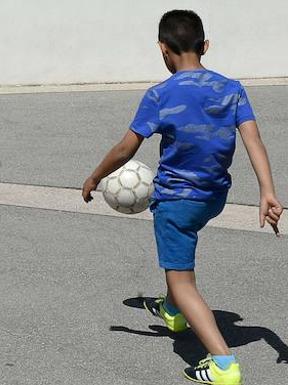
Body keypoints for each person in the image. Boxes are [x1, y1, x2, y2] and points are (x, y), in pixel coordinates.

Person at [81, 9, 283, 385]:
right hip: (214, 196)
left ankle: (223, 364)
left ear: (162, 49)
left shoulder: (160, 94)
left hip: (177, 203)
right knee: (181, 262)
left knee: (182, 279)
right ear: (205, 46)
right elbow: (252, 139)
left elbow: (127, 148)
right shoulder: (231, 88)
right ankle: (173, 311)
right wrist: (267, 192)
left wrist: (96, 176)